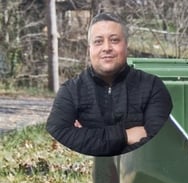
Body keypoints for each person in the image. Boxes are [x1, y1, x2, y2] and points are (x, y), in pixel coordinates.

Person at [46, 12, 172, 156]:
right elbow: (59, 134)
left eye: (114, 40)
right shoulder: (71, 91)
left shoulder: (152, 87)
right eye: (98, 41)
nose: (106, 48)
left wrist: (88, 138)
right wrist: (125, 136)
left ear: (126, 46)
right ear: (90, 49)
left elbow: (156, 144)